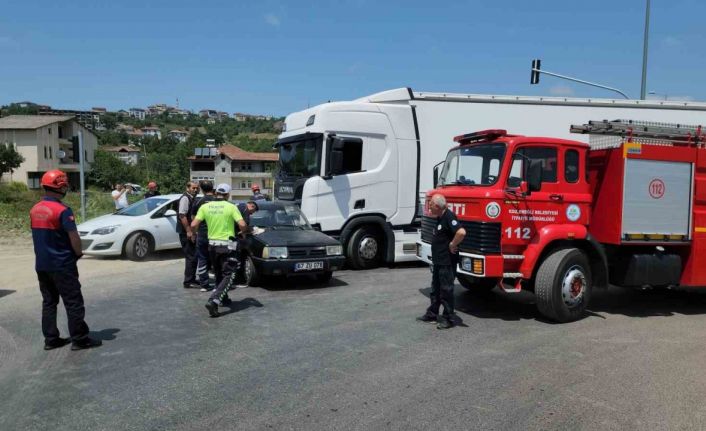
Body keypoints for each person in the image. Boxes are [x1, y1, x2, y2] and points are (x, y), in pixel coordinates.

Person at [30, 170, 102, 350]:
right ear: (61, 187)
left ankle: (51, 339)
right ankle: (80, 339)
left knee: (49, 302)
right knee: (73, 302)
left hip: (42, 265)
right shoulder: (63, 210)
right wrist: (78, 253)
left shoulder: (35, 209)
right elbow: (74, 237)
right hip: (62, 265)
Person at [191, 184, 249, 317]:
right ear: (228, 194)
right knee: (230, 275)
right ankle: (214, 300)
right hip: (227, 246)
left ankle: (223, 299)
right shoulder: (231, 207)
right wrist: (242, 232)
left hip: (212, 245)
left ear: (216, 192)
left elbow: (194, 224)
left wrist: (195, 234)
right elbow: (242, 224)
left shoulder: (205, 206)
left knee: (219, 274)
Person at [417, 194, 467, 330]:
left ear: (438, 206)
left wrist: (452, 244)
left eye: (431, 204)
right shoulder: (440, 217)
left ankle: (448, 318)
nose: (429, 207)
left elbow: (461, 232)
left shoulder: (449, 216)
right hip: (439, 261)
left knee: (446, 290)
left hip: (447, 262)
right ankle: (432, 314)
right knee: (435, 290)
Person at [191, 180, 216, 292]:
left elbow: (193, 219)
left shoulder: (198, 201)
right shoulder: (218, 201)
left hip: (202, 234)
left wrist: (194, 233)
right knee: (217, 259)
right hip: (216, 234)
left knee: (202, 259)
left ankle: (204, 284)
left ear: (201, 189)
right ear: (212, 188)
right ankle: (219, 282)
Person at [177, 181, 200, 288]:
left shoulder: (192, 198)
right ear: (187, 188)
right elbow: (182, 215)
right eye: (193, 188)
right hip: (186, 232)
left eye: (197, 188)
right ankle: (188, 281)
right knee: (191, 256)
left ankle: (192, 279)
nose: (195, 190)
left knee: (194, 255)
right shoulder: (185, 198)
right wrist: (188, 230)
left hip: (191, 232)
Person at [235, 201, 259, 284]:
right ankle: (237, 279)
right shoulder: (245, 210)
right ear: (251, 206)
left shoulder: (239, 206)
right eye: (253, 211)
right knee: (236, 257)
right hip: (234, 237)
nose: (252, 214)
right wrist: (252, 230)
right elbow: (244, 227)